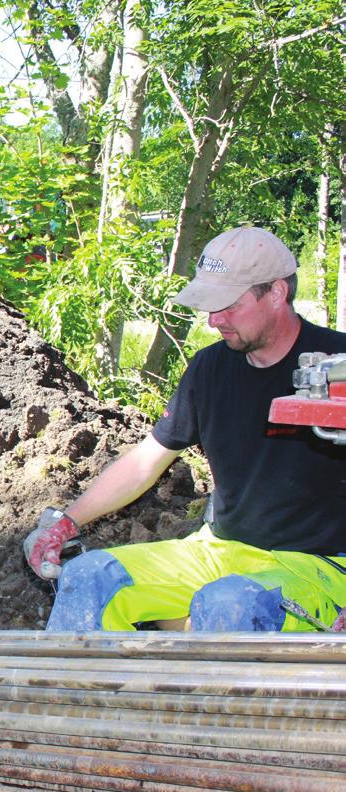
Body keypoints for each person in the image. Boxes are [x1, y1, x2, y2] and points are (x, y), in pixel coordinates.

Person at [25, 226, 346, 632]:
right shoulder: (209, 368)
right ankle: (91, 696)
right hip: (221, 551)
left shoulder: (339, 368)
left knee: (228, 606)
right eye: (210, 307)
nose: (214, 320)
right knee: (92, 578)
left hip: (320, 566)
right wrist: (65, 523)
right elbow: (145, 462)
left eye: (229, 305)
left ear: (277, 292)